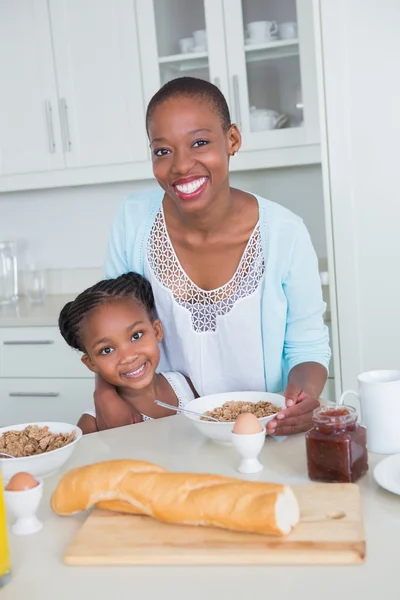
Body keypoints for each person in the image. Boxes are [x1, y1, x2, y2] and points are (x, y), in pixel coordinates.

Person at [95, 76, 331, 436]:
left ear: (232, 140)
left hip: (263, 433)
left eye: (200, 142)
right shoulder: (132, 222)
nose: (181, 165)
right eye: (163, 150)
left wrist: (303, 396)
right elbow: (105, 323)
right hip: (164, 430)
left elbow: (308, 346)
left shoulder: (286, 234)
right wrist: (103, 392)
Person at [58, 272, 196, 434]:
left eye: (136, 336)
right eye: (106, 350)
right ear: (91, 363)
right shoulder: (91, 425)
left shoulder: (186, 385)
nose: (128, 357)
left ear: (156, 331)